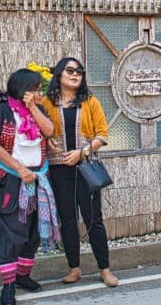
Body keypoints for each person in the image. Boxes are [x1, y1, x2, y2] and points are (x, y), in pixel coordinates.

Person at [0, 68, 59, 305]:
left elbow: (49, 131)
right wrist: (21, 169)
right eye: (36, 89)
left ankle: (23, 276)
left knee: (34, 229)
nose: (40, 93)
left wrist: (34, 108)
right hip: (14, 179)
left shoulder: (39, 111)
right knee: (12, 230)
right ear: (24, 90)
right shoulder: (1, 113)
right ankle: (8, 285)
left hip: (39, 177)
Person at [42, 57, 119, 288]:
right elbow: (40, 131)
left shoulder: (90, 102)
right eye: (70, 70)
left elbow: (102, 135)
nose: (76, 74)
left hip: (86, 168)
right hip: (58, 169)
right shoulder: (47, 102)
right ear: (59, 74)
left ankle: (105, 269)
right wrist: (48, 141)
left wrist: (81, 152)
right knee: (67, 219)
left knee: (93, 219)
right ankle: (74, 268)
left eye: (80, 71)